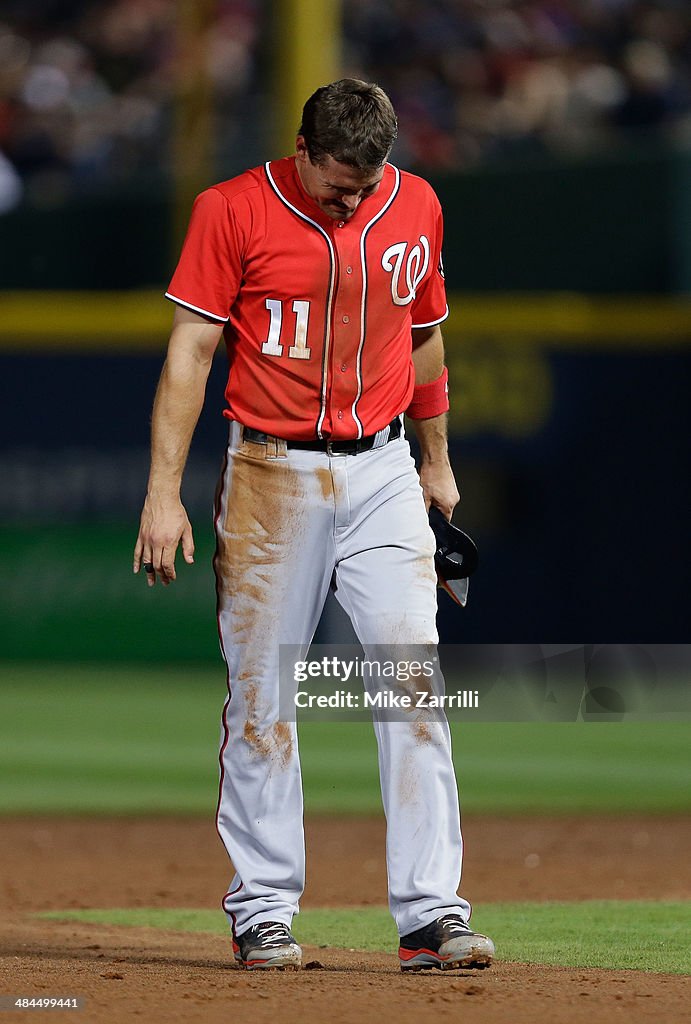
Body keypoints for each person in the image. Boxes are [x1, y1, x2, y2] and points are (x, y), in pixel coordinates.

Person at [133, 78, 494, 973]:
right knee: (263, 702)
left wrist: (435, 458)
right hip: (269, 472)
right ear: (302, 147)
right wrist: (163, 490)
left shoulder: (415, 203)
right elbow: (191, 352)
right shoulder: (231, 210)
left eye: (368, 182)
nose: (356, 197)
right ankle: (262, 910)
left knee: (411, 682)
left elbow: (424, 339)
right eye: (340, 181)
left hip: (381, 470)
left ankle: (430, 914)